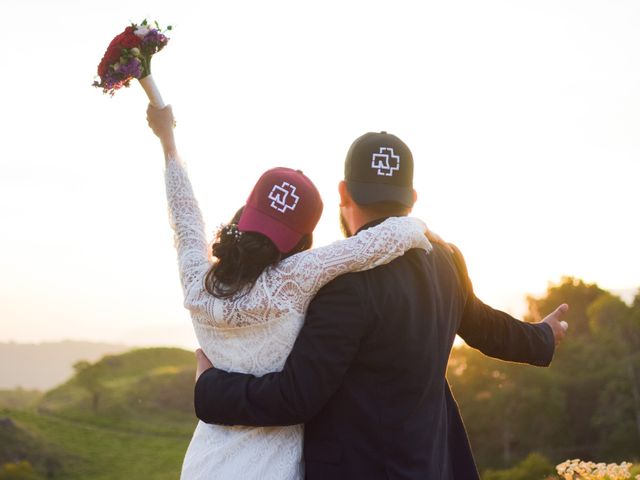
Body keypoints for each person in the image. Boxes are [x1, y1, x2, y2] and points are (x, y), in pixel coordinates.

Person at [193, 131, 570, 480]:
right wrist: (543, 336)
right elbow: (486, 328)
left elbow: (296, 397)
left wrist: (209, 388)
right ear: (412, 198)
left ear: (343, 193)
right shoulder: (446, 258)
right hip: (432, 464)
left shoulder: (342, 280)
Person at [146, 105, 442, 480]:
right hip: (275, 469)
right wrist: (419, 228)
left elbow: (185, 214)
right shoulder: (292, 280)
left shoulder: (196, 283)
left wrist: (168, 141)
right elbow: (376, 243)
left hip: (207, 463)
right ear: (302, 240)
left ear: (244, 213)